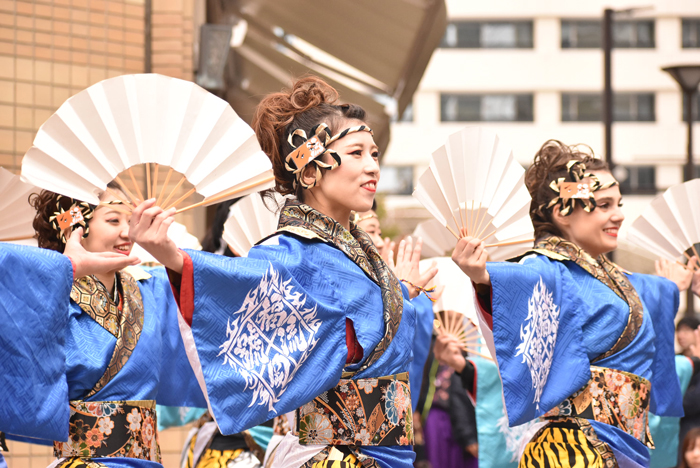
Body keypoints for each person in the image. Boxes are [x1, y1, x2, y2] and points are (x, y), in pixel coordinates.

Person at [129, 76, 437, 468]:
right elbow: (235, 286)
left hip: (390, 453)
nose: (372, 166)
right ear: (309, 172)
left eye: (374, 154)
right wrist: (172, 257)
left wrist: (400, 290)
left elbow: (366, 329)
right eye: (356, 153)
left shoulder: (364, 256)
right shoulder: (288, 252)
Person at [450, 140, 693, 467]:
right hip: (573, 449)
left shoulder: (613, 277)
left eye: (618, 204)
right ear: (562, 211)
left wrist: (675, 286)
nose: (619, 215)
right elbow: (520, 281)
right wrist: (483, 276)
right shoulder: (547, 269)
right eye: (604, 204)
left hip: (618, 445)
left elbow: (643, 294)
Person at [0, 185, 207, 468]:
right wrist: (67, 268)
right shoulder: (45, 297)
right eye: (113, 220)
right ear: (75, 227)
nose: (128, 232)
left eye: (130, 221)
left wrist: (172, 255)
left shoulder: (153, 287)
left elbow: (212, 304)